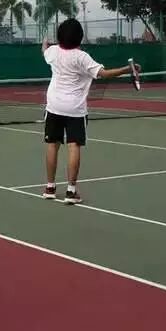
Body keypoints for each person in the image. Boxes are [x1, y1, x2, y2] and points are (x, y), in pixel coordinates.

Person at [41, 18, 140, 204]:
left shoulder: (52, 52)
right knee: (73, 146)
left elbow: (44, 50)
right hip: (75, 109)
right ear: (80, 37)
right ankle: (71, 191)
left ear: (60, 36)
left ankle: (50, 187)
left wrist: (45, 42)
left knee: (52, 144)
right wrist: (128, 69)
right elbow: (105, 74)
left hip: (53, 105)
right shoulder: (82, 57)